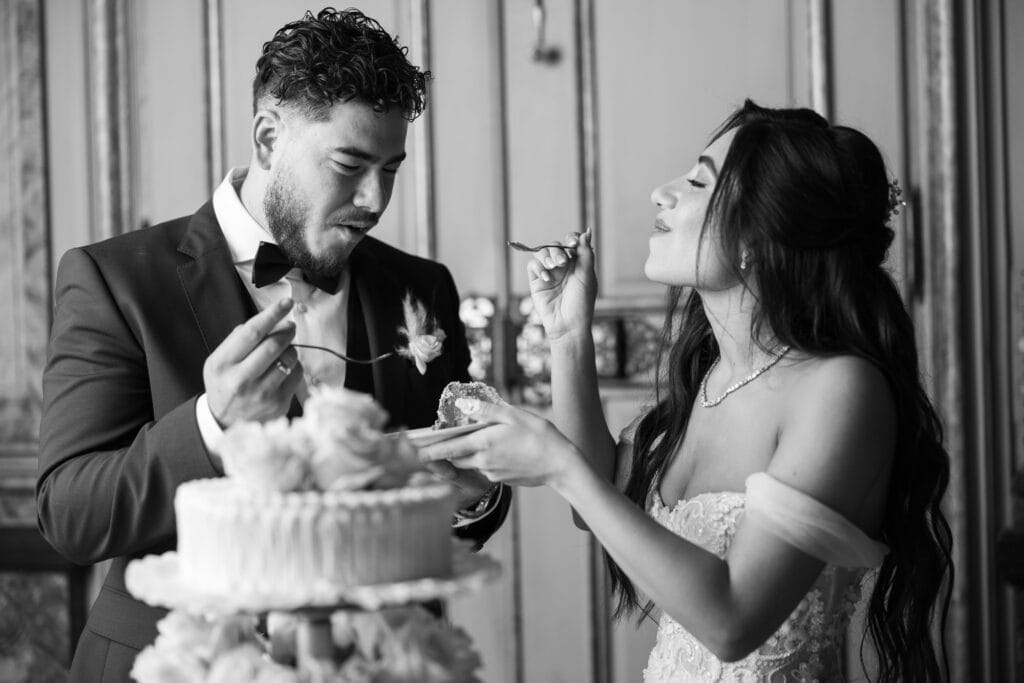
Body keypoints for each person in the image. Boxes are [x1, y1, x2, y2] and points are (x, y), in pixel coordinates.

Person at [37, 9, 509, 682]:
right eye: (349, 164)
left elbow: (458, 511)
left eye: (391, 168)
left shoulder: (421, 287)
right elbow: (70, 513)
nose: (375, 199)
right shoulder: (115, 280)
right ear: (266, 138)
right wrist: (212, 424)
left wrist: (469, 494)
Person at [426, 100, 953, 681]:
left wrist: (556, 465)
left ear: (758, 234)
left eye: (698, 181)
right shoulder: (714, 379)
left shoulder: (841, 390)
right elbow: (602, 505)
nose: (661, 192)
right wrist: (569, 335)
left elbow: (732, 621)